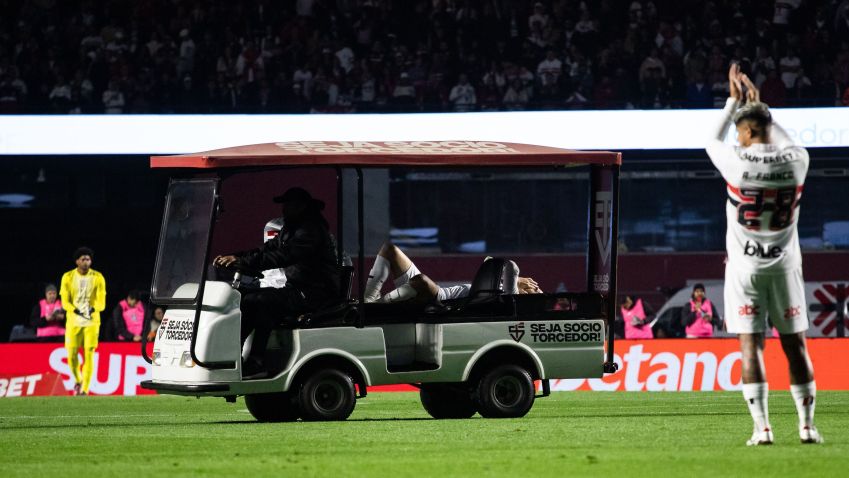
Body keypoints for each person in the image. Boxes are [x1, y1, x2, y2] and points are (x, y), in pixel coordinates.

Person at [706, 63, 821, 445]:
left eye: (740, 132)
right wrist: (761, 108)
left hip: (745, 269)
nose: (737, 139)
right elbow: (782, 139)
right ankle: (807, 427)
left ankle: (763, 429)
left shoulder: (736, 162)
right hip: (785, 268)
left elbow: (711, 140)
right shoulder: (797, 160)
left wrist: (733, 103)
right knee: (795, 345)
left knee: (750, 347)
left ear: (747, 131)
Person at [214, 187, 340, 379]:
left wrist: (244, 262)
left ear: (301, 206)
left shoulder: (310, 231)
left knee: (260, 301)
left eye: (288, 205)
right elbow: (265, 250)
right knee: (249, 298)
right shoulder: (291, 229)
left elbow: (285, 256)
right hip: (299, 289)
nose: (284, 209)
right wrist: (236, 257)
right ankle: (236, 357)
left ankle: (252, 360)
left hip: (316, 293)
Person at [363, 242, 541, 304]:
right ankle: (368, 300)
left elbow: (512, 267)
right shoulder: (498, 287)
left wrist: (517, 281)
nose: (534, 286)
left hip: (441, 301)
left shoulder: (510, 299)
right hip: (432, 292)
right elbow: (488, 261)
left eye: (535, 290)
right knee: (390, 250)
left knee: (422, 280)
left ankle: (377, 307)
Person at [60, 247, 107, 396]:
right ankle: (78, 379)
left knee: (89, 353)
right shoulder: (67, 277)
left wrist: (93, 309)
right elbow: (64, 302)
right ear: (77, 261)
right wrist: (74, 310)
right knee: (72, 354)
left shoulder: (98, 277)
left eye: (88, 259)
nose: (86, 262)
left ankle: (85, 389)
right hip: (73, 322)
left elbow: (102, 303)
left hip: (91, 323)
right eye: (83, 259)